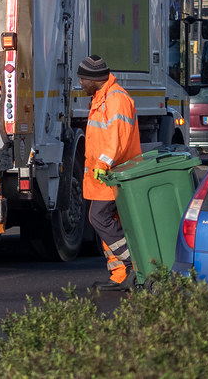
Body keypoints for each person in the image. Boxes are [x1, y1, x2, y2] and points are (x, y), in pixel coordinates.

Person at [77, 54, 142, 291]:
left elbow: (117, 139)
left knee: (99, 218)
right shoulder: (101, 98)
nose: (80, 83)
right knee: (109, 221)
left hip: (114, 174)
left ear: (95, 79)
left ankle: (133, 264)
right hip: (106, 175)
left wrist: (103, 164)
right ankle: (120, 275)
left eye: (83, 79)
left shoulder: (116, 99)